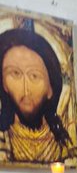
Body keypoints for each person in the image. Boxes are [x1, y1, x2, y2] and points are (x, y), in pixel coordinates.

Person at [0, 28, 72, 165]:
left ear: (50, 89)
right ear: (3, 83)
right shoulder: (3, 139)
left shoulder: (64, 145)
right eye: (15, 73)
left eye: (34, 76)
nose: (25, 88)